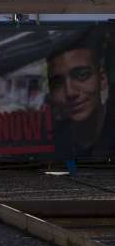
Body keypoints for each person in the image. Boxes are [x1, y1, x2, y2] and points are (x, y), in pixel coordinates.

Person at [47, 32, 115, 160]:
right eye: (57, 83)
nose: (70, 92)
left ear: (102, 79)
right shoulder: (54, 142)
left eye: (81, 75)